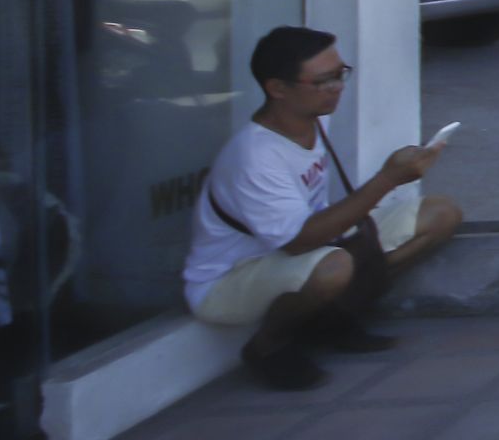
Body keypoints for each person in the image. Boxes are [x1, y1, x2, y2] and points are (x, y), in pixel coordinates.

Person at [183, 26, 462, 389]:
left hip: (307, 246)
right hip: (230, 278)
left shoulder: (313, 115)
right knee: (335, 267)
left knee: (441, 214)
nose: (337, 87)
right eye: (323, 81)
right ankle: (269, 345)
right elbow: (299, 241)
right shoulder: (255, 157)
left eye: (340, 74)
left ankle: (329, 314)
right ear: (278, 89)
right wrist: (388, 178)